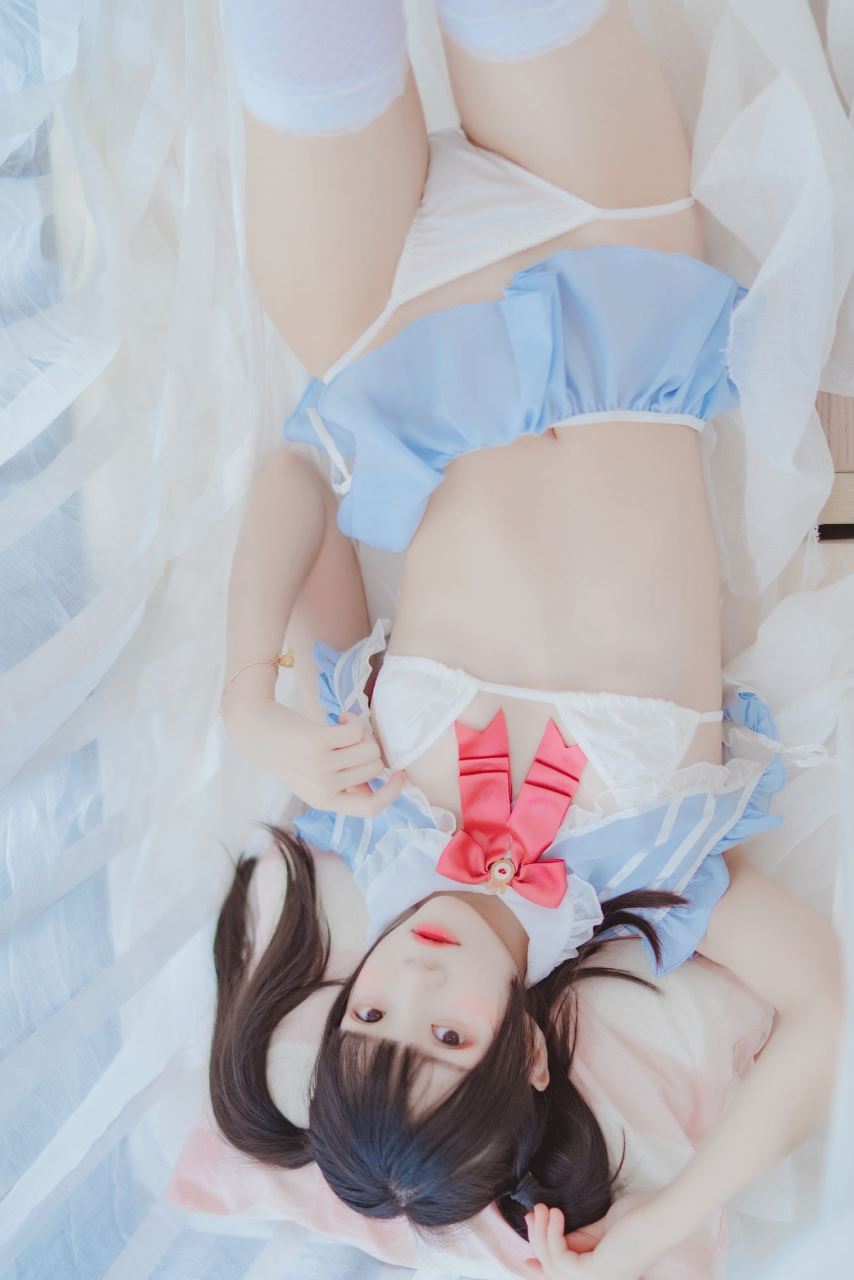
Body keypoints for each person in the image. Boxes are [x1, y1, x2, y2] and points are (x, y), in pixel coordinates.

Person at [211, 2, 843, 1276]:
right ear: (531, 1052)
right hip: (604, 242)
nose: (413, 981)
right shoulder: (656, 868)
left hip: (373, 307)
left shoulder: (358, 798)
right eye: (445, 1037)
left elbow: (301, 474)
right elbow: (821, 1009)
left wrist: (245, 699)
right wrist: (659, 1222)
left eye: (370, 1013)